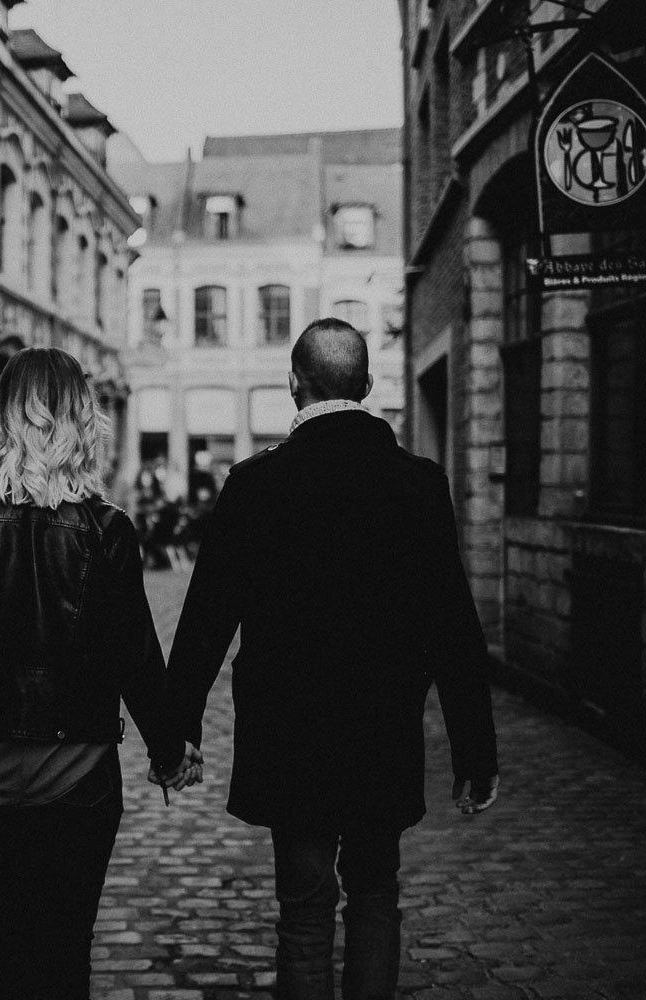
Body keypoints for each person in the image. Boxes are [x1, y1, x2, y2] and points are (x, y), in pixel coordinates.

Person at [161, 318, 500, 1000]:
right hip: (382, 732)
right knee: (376, 895)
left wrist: (177, 732)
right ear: (368, 387)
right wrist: (475, 751)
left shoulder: (256, 485)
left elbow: (206, 619)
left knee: (305, 909)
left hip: (292, 737)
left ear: (293, 385)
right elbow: (454, 627)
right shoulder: (418, 485)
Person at [0, 347, 200, 999]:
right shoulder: (105, 528)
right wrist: (171, 750)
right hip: (75, 779)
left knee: (9, 930)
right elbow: (137, 656)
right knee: (65, 942)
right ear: (80, 421)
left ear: (4, 419)